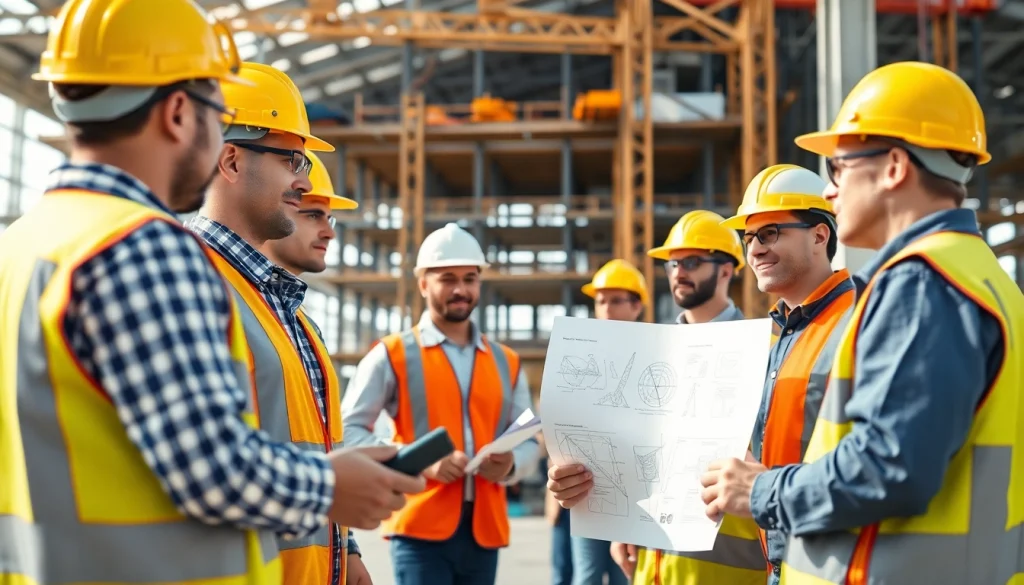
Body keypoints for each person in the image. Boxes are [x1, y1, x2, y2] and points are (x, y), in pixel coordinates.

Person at [0, 2, 423, 584]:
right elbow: (210, 467)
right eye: (214, 109)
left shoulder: (20, 246)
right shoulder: (138, 245)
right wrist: (333, 485)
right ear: (179, 111)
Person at [699, 62, 1024, 584]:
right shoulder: (984, 277)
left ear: (895, 166)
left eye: (839, 168)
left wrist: (760, 491)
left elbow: (889, 467)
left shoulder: (922, 282)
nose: (830, 191)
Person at [185, 62, 419, 585]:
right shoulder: (190, 282)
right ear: (229, 161)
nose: (303, 177)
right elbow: (201, 466)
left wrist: (345, 551)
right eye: (293, 159)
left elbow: (310, 449)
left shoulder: (283, 310)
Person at [549, 211, 766, 585]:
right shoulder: (653, 352)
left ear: (728, 269)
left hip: (729, 569)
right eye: (672, 263)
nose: (678, 272)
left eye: (693, 262)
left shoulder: (763, 351)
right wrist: (621, 524)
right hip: (655, 567)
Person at [341, 222, 540, 585]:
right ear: (423, 284)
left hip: (485, 531)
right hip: (419, 529)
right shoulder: (393, 353)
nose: (461, 289)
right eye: (447, 278)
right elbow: (346, 432)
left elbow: (528, 436)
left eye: (470, 278)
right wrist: (416, 460)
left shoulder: (506, 361)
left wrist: (511, 466)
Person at [719, 164, 855, 585]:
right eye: (748, 238)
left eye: (770, 233)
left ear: (820, 235)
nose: (754, 249)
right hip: (784, 563)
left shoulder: (857, 320)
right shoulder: (778, 335)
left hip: (835, 563)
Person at [564, 259, 649, 585]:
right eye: (600, 300)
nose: (607, 308)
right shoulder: (581, 357)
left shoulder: (655, 352)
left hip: (635, 494)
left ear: (636, 305)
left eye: (616, 300)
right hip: (586, 487)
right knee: (585, 576)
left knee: (625, 576)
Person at [261, 151, 357, 276]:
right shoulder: (231, 290)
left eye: (329, 220)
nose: (330, 234)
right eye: (314, 216)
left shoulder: (272, 294)